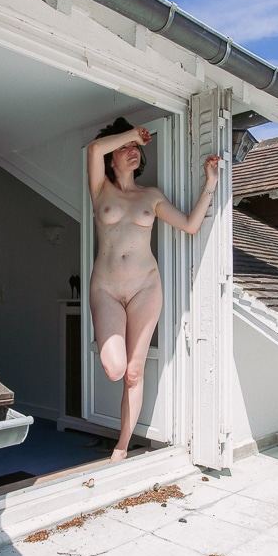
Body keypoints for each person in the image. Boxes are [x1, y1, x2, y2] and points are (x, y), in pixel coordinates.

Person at [87, 117, 221, 462]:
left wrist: (211, 183)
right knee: (114, 369)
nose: (132, 151)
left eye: (135, 148)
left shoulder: (152, 196)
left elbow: (191, 226)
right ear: (112, 157)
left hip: (146, 287)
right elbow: (94, 147)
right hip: (106, 289)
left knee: (133, 372)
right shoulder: (100, 187)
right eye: (125, 148)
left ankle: (121, 446)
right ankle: (121, 442)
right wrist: (133, 133)